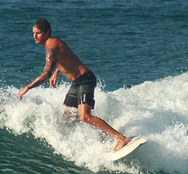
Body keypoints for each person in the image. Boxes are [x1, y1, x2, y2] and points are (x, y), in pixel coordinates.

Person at [18, 19, 132, 151]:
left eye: (38, 33)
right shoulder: (53, 43)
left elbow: (45, 74)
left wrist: (28, 87)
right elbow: (67, 58)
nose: (34, 36)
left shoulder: (51, 45)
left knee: (85, 116)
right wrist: (57, 72)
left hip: (85, 80)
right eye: (33, 33)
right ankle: (103, 136)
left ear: (47, 32)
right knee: (68, 116)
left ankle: (120, 137)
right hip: (77, 83)